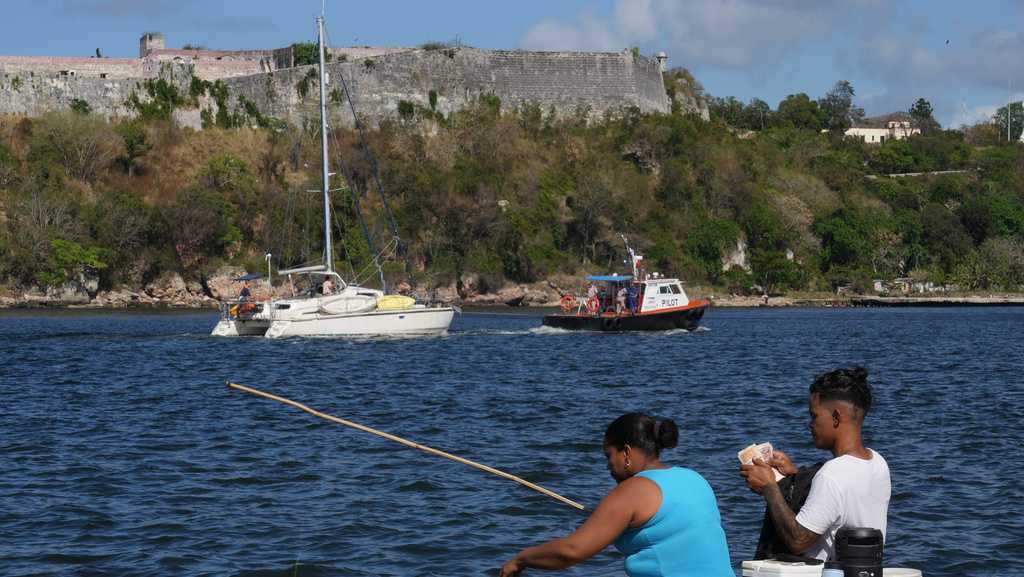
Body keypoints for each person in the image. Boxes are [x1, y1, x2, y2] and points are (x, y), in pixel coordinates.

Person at [500, 413, 733, 577]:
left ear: (627, 453)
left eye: (608, 455)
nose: (608, 465)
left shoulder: (631, 490)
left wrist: (520, 559)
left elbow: (570, 553)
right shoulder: (693, 478)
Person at [740, 367, 890, 562]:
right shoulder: (877, 462)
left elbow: (798, 540)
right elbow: (841, 504)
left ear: (836, 417)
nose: (810, 424)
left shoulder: (831, 475)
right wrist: (793, 478)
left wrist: (770, 488)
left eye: (814, 416)